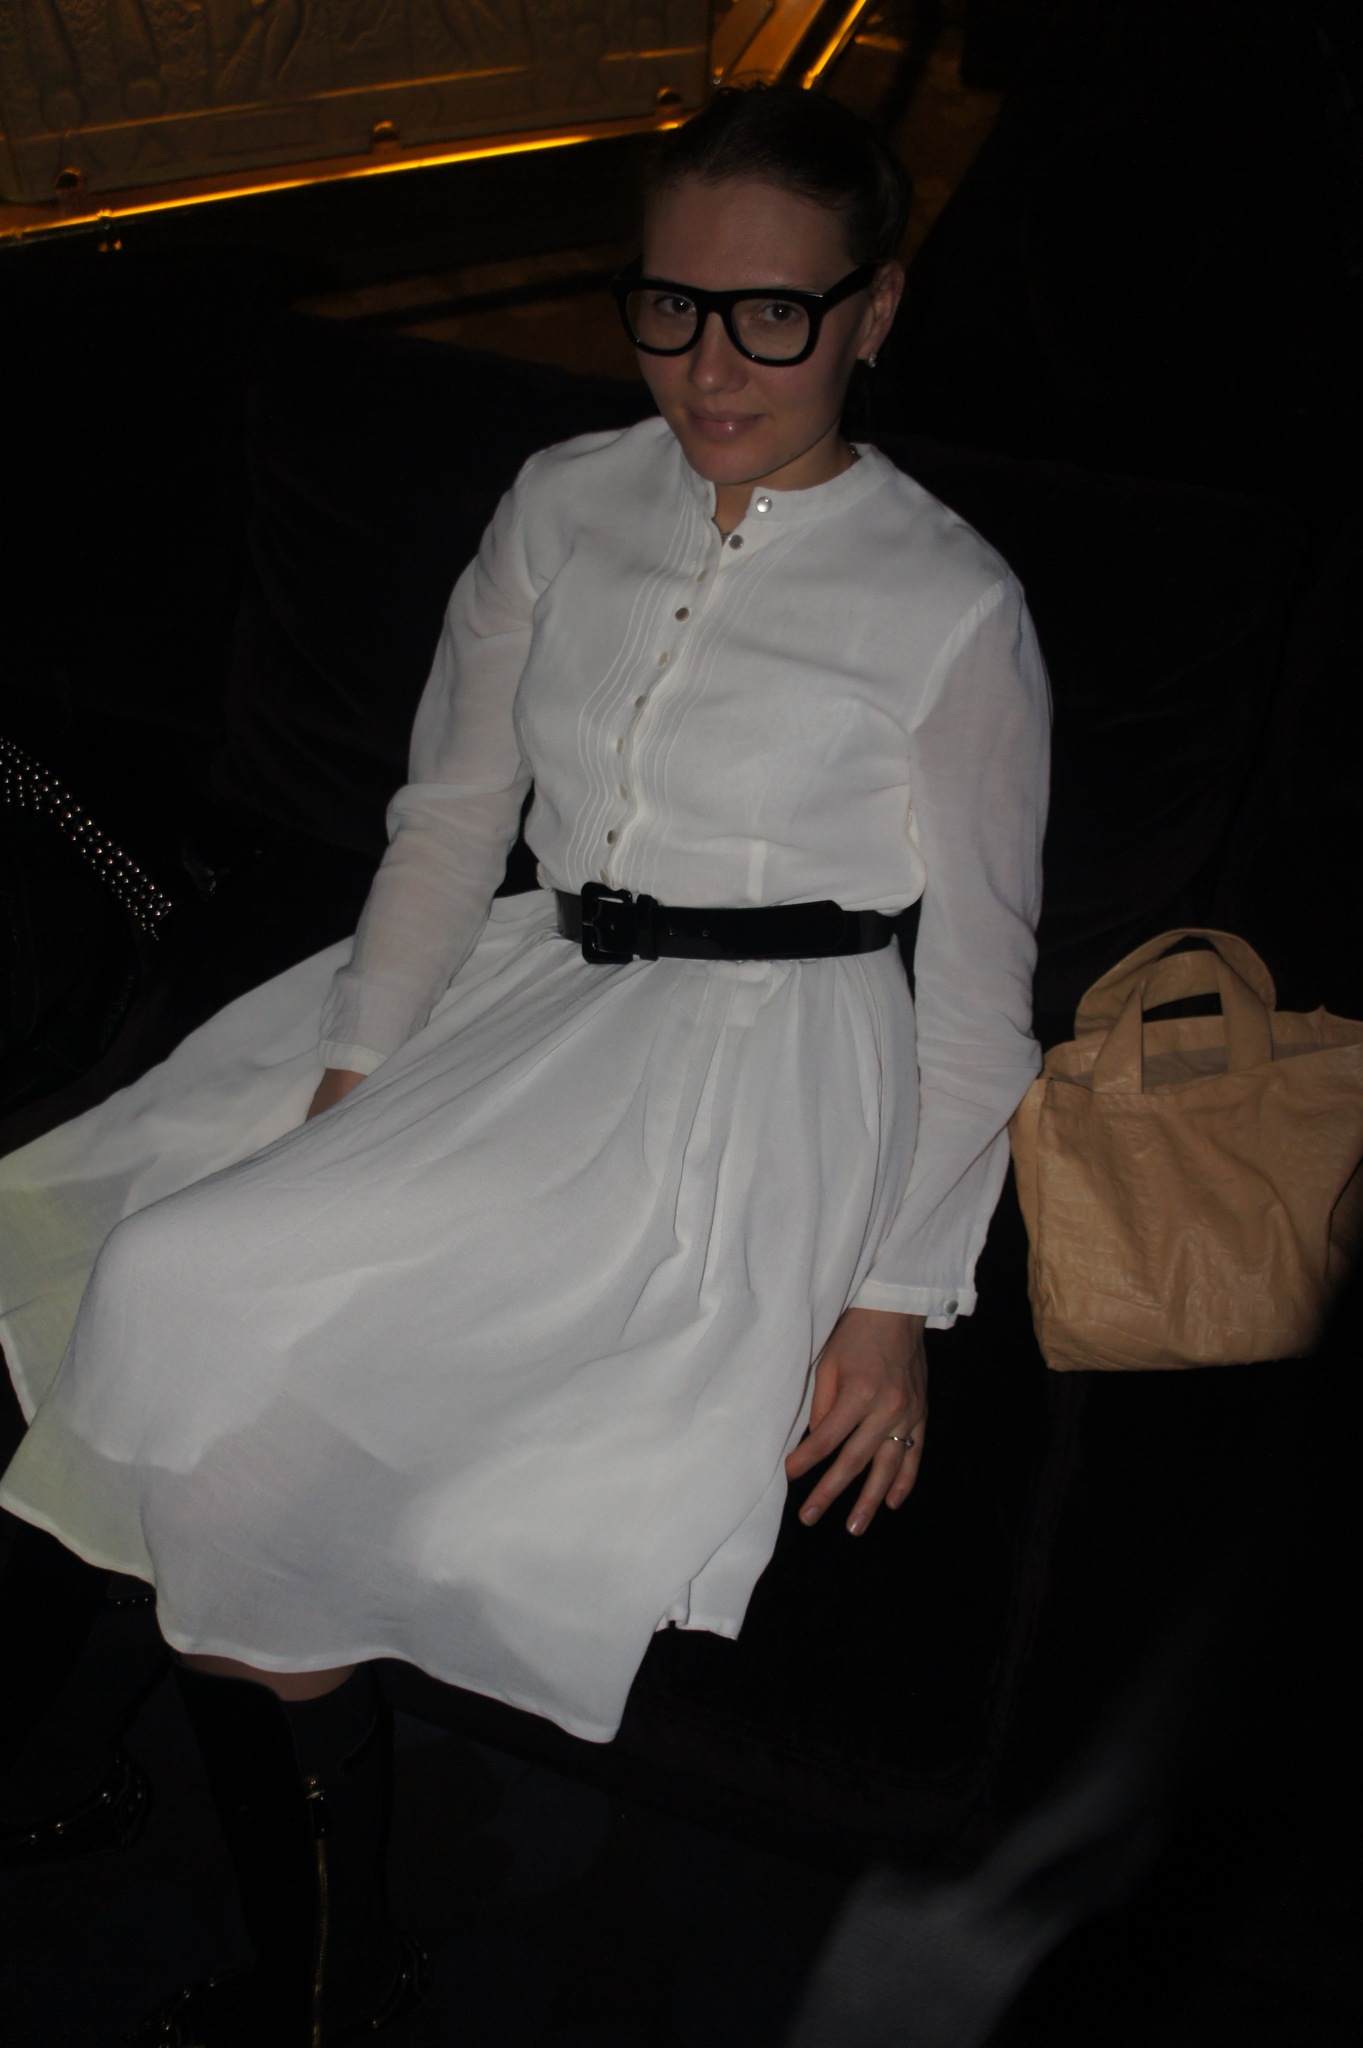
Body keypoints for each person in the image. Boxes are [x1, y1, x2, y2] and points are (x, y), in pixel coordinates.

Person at [0, 84, 1050, 2048]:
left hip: (751, 1074)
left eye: (773, 316)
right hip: (519, 987)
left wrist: (896, 1300)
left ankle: (307, 1952)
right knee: (140, 1252)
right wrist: (352, 1079)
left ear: (876, 309)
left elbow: (984, 990)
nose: (709, 368)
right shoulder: (563, 501)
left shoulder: (950, 605)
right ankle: (200, 1838)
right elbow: (449, 814)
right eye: (668, 307)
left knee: (177, 1303)